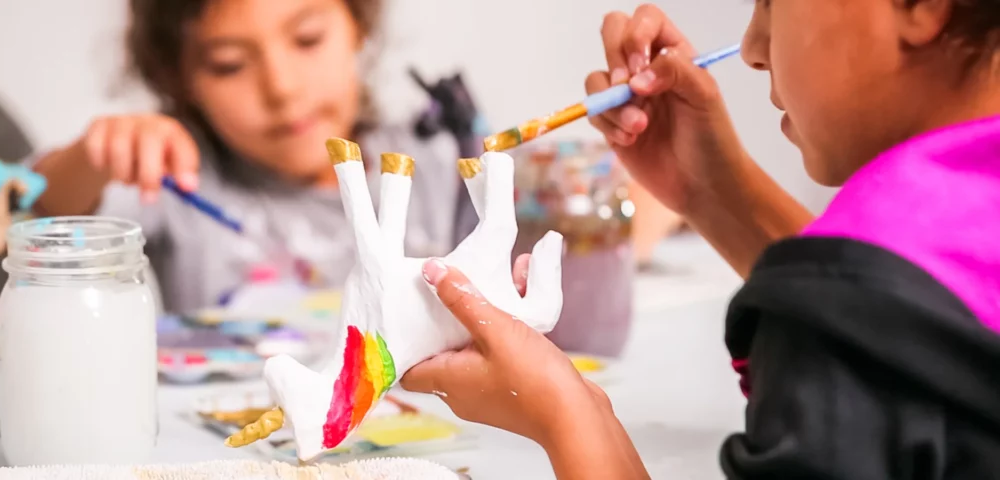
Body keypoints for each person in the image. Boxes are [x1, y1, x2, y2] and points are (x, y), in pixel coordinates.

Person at [401, 1, 1000, 478]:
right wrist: (708, 190)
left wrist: (567, 417)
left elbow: (869, 312)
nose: (752, 48)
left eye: (771, 3)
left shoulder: (842, 319)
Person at [29, 0, 464, 313]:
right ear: (178, 81)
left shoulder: (438, 162)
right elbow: (43, 212)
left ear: (358, 25)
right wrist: (94, 156)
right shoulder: (177, 179)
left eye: (307, 39)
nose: (282, 88)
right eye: (229, 64)